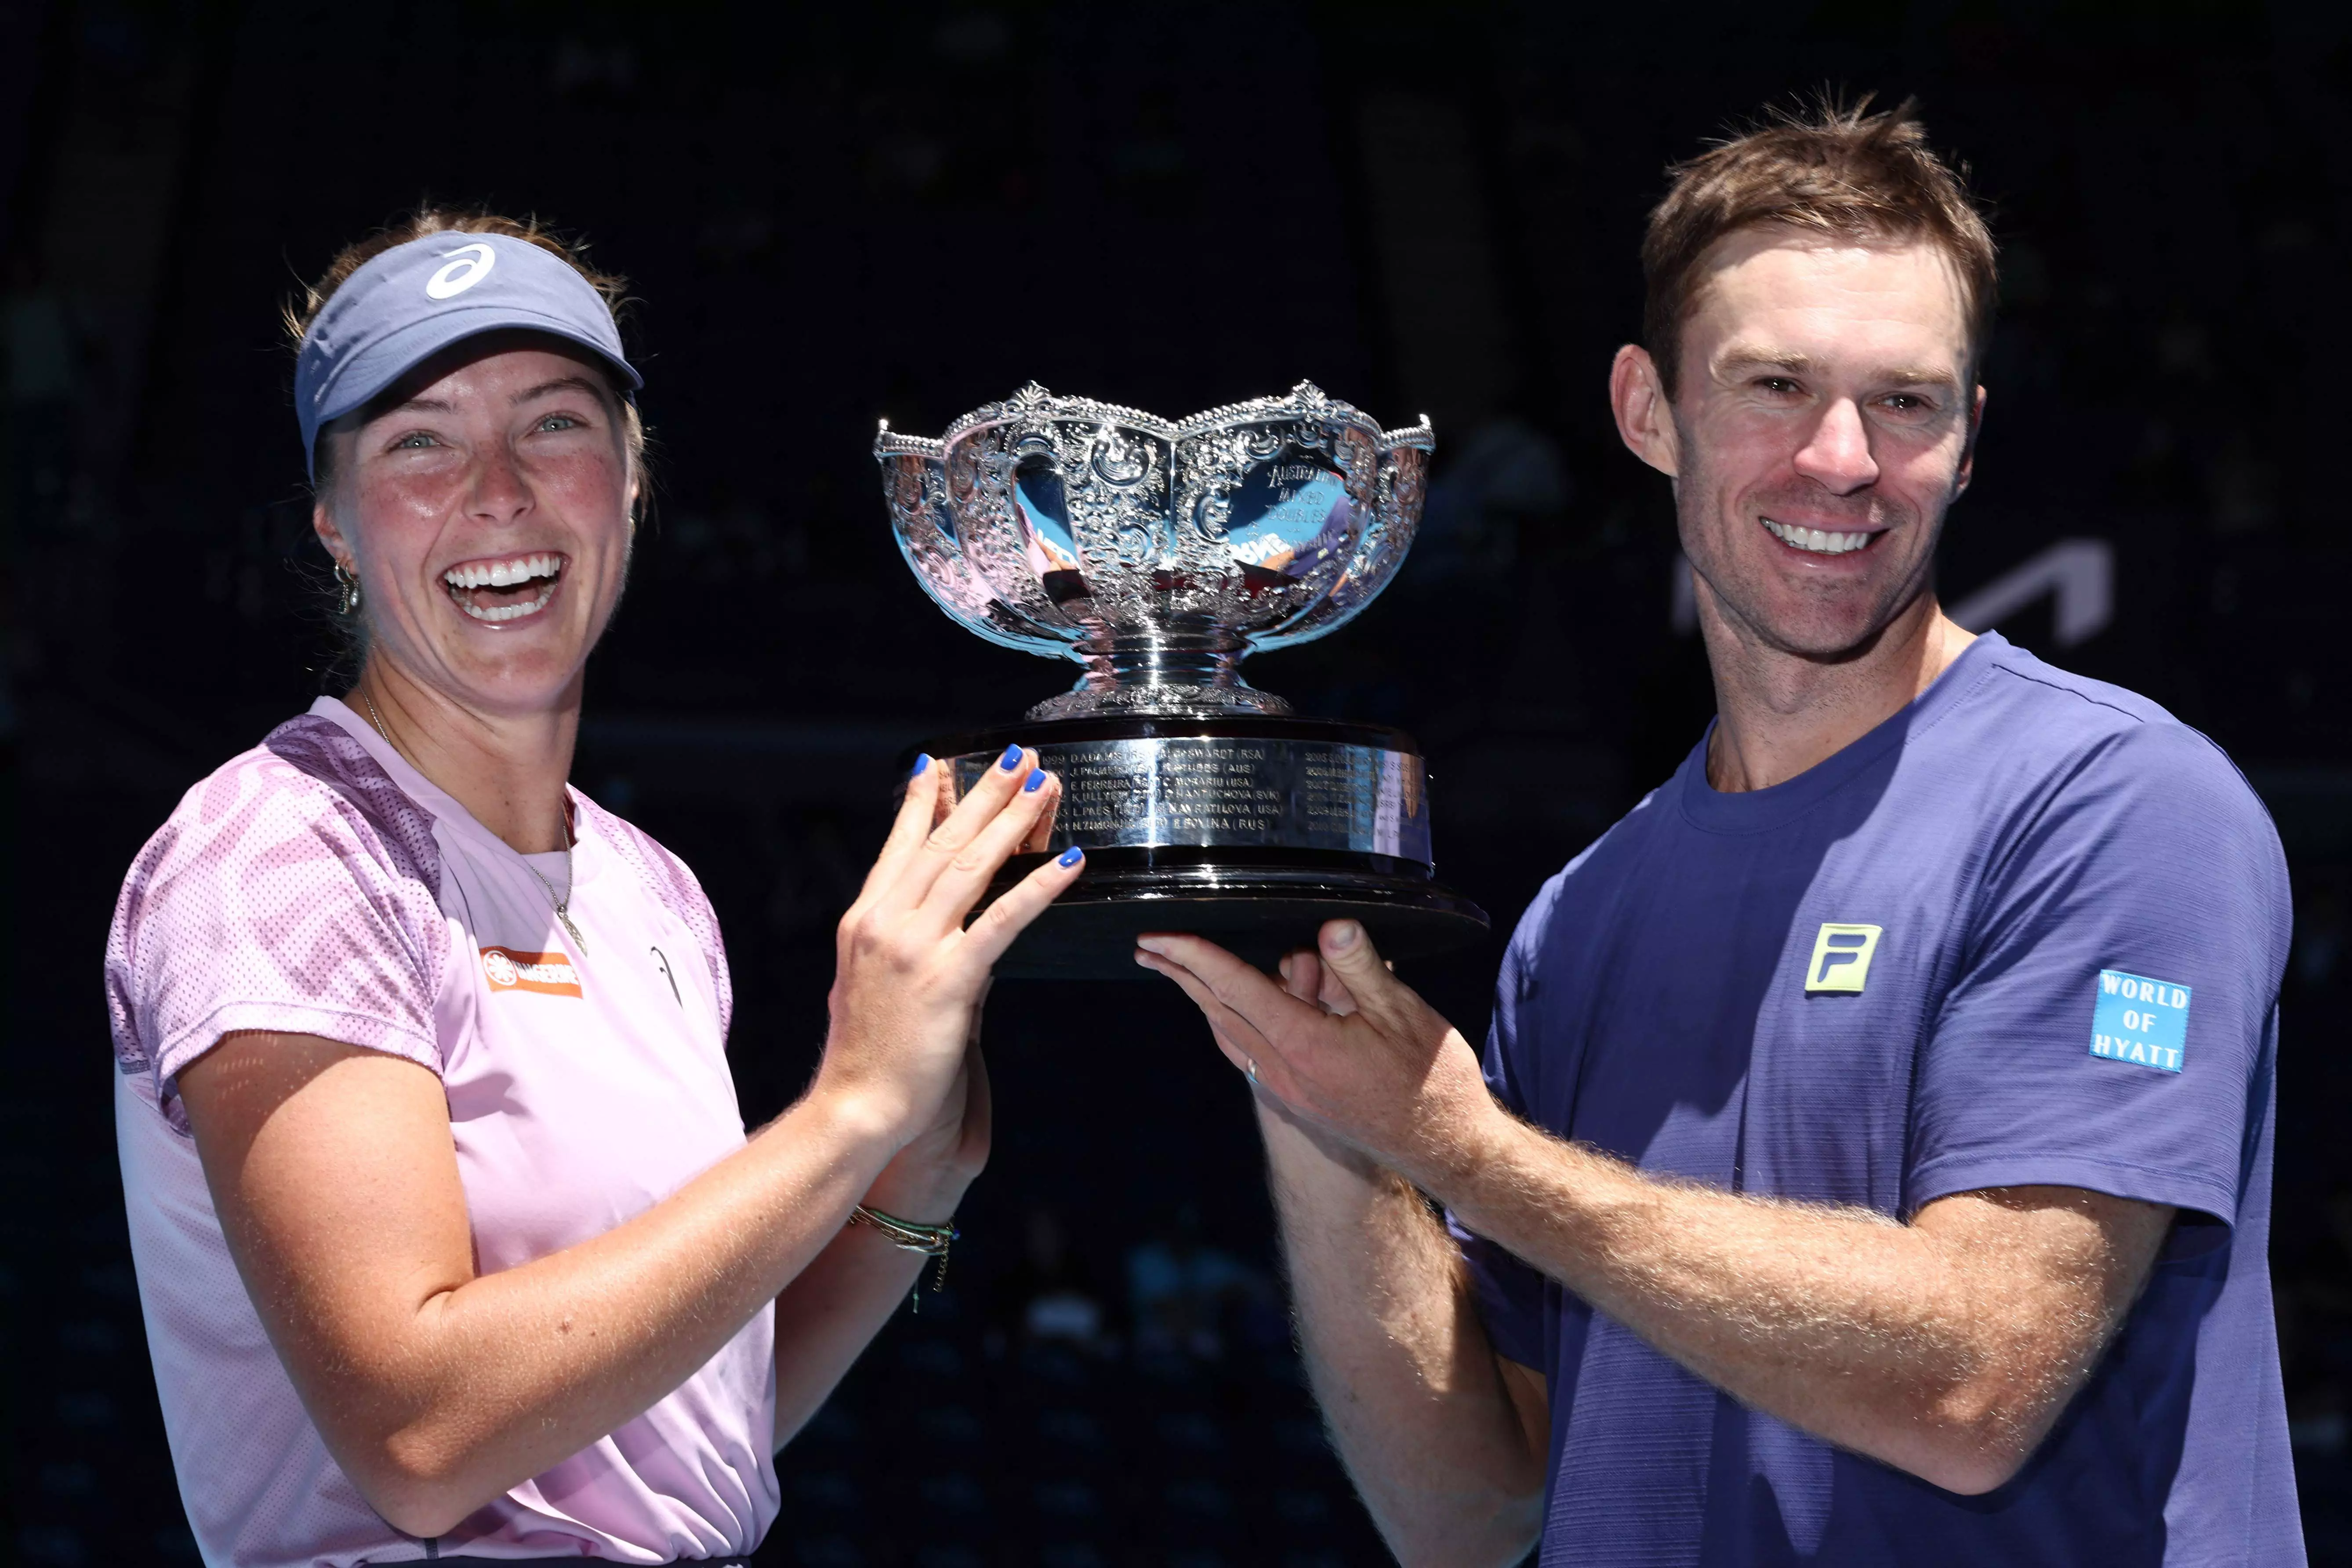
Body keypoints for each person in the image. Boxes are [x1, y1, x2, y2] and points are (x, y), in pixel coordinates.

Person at [1136, 100, 2299, 1566]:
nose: (1841, 460)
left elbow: (1975, 1382)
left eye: (1908, 401)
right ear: (1647, 410)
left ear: (1972, 433)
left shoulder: (2122, 809)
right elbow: (1469, 1512)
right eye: (1774, 386)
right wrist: (1315, 1097)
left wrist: (1455, 1142)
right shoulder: (1591, 909)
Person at [105, 210, 1085, 1568]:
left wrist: (904, 1185)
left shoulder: (654, 891)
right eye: (420, 441)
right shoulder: (280, 851)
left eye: (557, 424)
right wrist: (847, 1107)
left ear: (631, 478)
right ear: (332, 520)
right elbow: (422, 1439)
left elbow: (677, 1438)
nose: (499, 488)